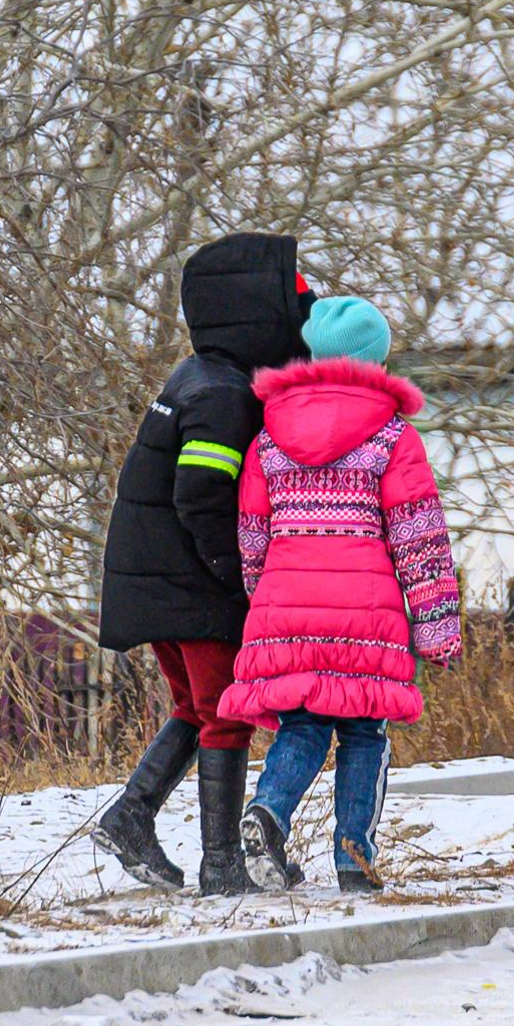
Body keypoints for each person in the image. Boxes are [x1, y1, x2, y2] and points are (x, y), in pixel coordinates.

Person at [92, 232, 315, 893]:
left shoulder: (204, 376)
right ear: (254, 309)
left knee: (196, 707)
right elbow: (201, 492)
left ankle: (132, 814)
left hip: (161, 578)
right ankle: (222, 865)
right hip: (191, 582)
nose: (303, 313)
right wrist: (236, 574)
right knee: (227, 711)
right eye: (294, 298)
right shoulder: (222, 392)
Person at [220, 295, 461, 893]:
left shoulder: (269, 437)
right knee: (363, 732)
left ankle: (268, 813)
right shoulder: (392, 436)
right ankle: (355, 858)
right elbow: (419, 537)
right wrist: (436, 629)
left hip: (285, 606)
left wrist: (267, 601)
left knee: (301, 726)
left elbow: (252, 536)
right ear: (375, 362)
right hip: (367, 614)